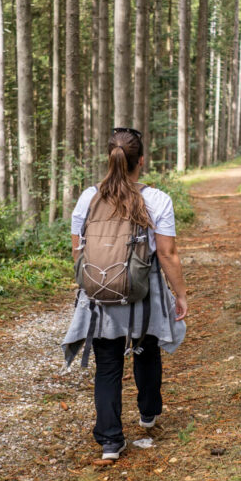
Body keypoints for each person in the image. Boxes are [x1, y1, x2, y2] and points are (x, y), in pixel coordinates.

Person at [61, 127, 187, 461]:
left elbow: (79, 251)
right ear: (140, 162)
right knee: (146, 352)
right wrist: (181, 294)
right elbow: (167, 254)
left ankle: (110, 442)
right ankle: (148, 416)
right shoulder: (157, 200)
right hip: (142, 294)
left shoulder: (88, 198)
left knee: (107, 364)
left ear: (110, 159)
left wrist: (99, 282)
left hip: (100, 295)